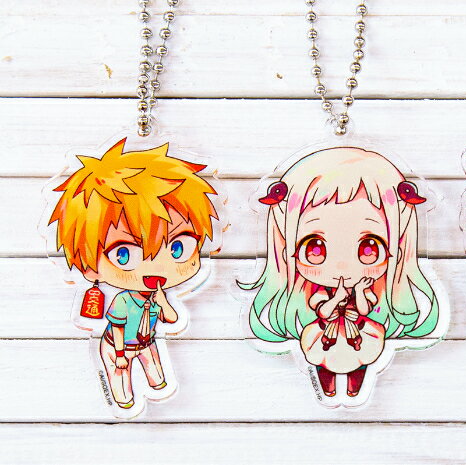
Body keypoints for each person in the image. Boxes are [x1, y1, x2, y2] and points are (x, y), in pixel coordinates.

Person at [242, 147, 440, 398]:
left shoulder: (366, 289)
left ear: (398, 250)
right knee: (322, 358)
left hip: (360, 333)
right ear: (286, 250)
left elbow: (365, 309)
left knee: (363, 357)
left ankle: (356, 383)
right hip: (325, 335)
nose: (342, 267)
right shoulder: (319, 293)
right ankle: (328, 384)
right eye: (315, 248)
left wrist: (360, 292)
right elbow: (323, 312)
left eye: (369, 248)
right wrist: (336, 298)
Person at [49, 138, 219, 409]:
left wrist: (163, 302)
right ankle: (124, 401)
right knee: (121, 381)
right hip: (116, 346)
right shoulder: (122, 300)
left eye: (177, 248)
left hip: (147, 342)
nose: (154, 266)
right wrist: (119, 354)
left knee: (158, 378)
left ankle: (157, 388)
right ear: (90, 267)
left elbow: (172, 319)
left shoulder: (156, 296)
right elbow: (117, 327)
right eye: (124, 254)